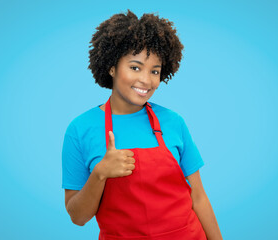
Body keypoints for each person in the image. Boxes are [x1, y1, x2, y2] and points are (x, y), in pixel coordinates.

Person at [62, 9, 223, 240]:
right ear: (111, 67)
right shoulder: (80, 129)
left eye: (155, 71)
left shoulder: (173, 122)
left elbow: (198, 197)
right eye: (135, 67)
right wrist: (100, 174)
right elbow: (77, 217)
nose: (146, 81)